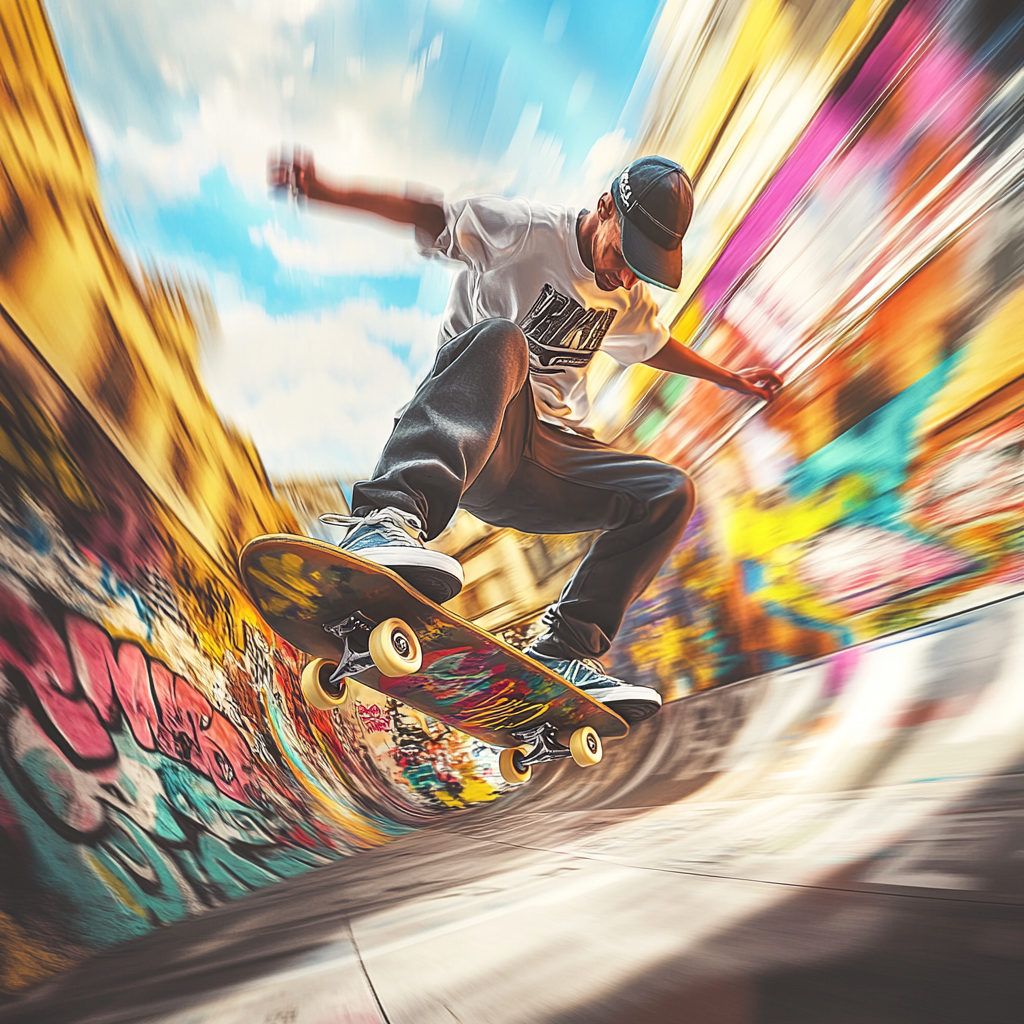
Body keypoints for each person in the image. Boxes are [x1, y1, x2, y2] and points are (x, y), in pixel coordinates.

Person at [268, 150, 782, 722]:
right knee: (506, 339)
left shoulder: (626, 296)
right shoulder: (523, 231)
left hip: (551, 463)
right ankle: (385, 519)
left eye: (642, 268)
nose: (625, 275)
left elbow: (654, 345)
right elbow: (427, 214)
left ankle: (567, 648)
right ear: (606, 206)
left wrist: (730, 377)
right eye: (622, 254)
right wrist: (329, 191)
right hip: (481, 431)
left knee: (669, 494)